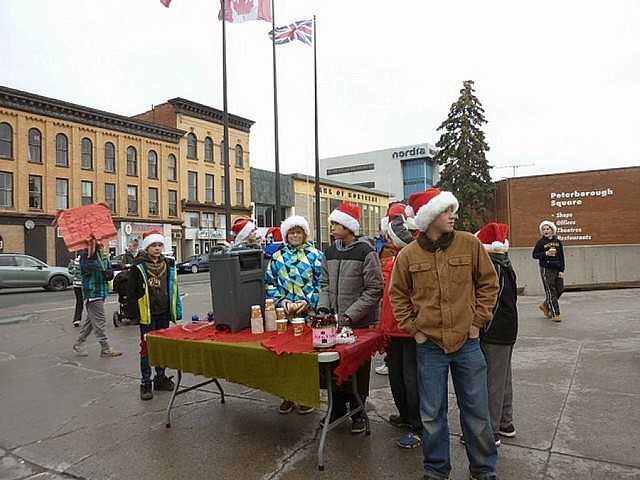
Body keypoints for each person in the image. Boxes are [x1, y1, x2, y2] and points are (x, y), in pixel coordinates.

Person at [389, 188, 500, 480]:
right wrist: (414, 330)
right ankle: (436, 470)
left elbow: (489, 284)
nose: (454, 215)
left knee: (477, 412)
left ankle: (484, 470)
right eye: (446, 210)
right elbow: (397, 295)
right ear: (429, 217)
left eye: (453, 209)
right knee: (431, 415)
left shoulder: (469, 244)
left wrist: (478, 321)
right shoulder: (408, 255)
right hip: (429, 347)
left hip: (467, 343)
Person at [317, 202, 384, 434]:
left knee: (358, 368)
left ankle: (358, 411)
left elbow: (375, 289)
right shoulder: (330, 251)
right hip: (334, 323)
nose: (332, 227)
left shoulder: (366, 252)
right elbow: (324, 283)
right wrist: (324, 309)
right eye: (332, 223)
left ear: (348, 226)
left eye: (336, 223)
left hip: (359, 322)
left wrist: (350, 314)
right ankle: (335, 408)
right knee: (333, 366)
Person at [265, 215, 323, 415]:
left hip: (308, 315)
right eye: (292, 232)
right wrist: (282, 301)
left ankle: (307, 396)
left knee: (306, 357)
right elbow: (270, 283)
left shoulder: (316, 255)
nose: (295, 236)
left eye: (299, 232)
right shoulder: (277, 257)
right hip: (285, 315)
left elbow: (322, 283)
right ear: (286, 235)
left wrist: (308, 301)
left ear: (305, 234)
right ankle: (287, 395)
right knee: (284, 355)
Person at [379, 202, 423, 449]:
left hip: (410, 329)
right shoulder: (393, 257)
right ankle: (406, 415)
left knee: (412, 379)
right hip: (393, 328)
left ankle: (419, 426)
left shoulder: (410, 257)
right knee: (397, 377)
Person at [476, 222, 519, 444]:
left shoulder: (490, 266)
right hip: (508, 330)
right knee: (503, 379)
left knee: (491, 381)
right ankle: (505, 422)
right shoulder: (505, 263)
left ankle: (490, 432)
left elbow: (488, 302)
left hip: (493, 331)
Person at [128, 229, 182, 400]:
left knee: (161, 346)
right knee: (147, 348)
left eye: (160, 245)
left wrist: (175, 309)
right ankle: (145, 382)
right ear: (147, 247)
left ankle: (160, 377)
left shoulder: (168, 263)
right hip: (148, 313)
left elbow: (173, 287)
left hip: (164, 311)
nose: (157, 248)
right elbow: (132, 291)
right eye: (154, 245)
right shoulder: (138, 266)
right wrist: (134, 314)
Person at [73, 239, 122, 358]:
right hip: (93, 292)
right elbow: (86, 270)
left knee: (91, 321)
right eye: (97, 241)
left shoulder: (103, 255)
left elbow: (110, 270)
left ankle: (79, 343)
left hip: (102, 291)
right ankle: (105, 348)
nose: (100, 243)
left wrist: (108, 274)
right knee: (100, 320)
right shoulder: (86, 255)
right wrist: (92, 255)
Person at [532, 220, 565, 322]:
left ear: (552, 230)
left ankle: (545, 305)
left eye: (547, 229)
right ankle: (555, 314)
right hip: (546, 269)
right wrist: (545, 253)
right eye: (544, 229)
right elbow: (534, 255)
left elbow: (561, 256)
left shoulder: (558, 242)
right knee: (551, 291)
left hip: (557, 268)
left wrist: (561, 270)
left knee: (559, 290)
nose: (545, 231)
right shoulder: (540, 242)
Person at [68, 254, 84, 327]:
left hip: (76, 284)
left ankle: (77, 319)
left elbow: (71, 272)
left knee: (79, 302)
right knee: (89, 302)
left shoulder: (76, 261)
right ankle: (90, 319)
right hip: (85, 284)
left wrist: (71, 264)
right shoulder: (86, 260)